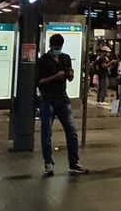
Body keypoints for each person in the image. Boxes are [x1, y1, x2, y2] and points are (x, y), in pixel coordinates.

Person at [36, 33, 87, 176]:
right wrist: (55, 77)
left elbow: (69, 78)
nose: (58, 49)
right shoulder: (43, 61)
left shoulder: (65, 58)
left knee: (72, 131)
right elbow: (38, 82)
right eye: (55, 46)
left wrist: (70, 75)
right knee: (46, 132)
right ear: (51, 46)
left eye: (59, 46)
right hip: (47, 99)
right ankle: (48, 163)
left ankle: (74, 163)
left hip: (63, 99)